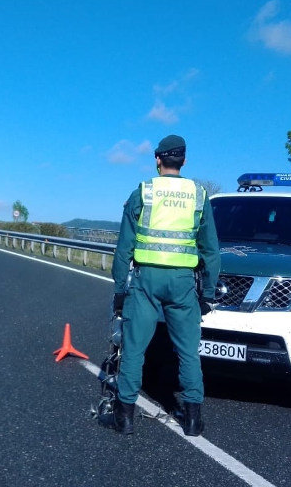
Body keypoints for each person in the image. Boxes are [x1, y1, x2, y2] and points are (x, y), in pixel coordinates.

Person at [102, 134, 220, 436]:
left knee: (134, 348)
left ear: (158, 159)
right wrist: (207, 292)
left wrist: (119, 290)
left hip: (145, 280)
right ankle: (193, 419)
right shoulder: (198, 194)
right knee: (188, 351)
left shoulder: (145, 191)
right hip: (182, 282)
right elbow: (210, 250)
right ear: (184, 160)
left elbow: (123, 247)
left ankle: (125, 416)